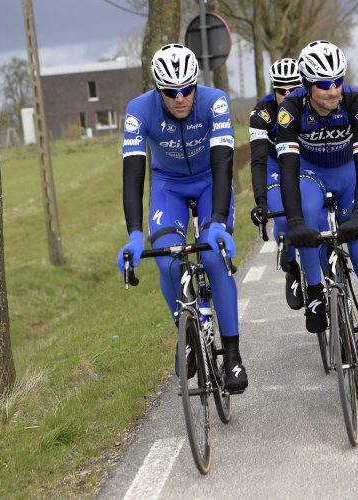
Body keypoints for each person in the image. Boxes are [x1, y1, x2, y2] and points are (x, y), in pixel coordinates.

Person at [116, 44, 247, 391]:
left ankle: (232, 356)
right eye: (171, 92)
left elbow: (223, 165)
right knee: (168, 263)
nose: (180, 98)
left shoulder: (214, 101)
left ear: (195, 84)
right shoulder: (137, 111)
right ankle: (187, 330)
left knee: (212, 257)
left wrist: (217, 221)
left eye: (187, 89)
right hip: (168, 186)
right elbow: (133, 176)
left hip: (209, 181)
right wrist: (133, 235)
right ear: (158, 90)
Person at [276, 40, 358, 390]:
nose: (333, 90)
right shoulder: (291, 111)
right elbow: (288, 170)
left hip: (349, 177)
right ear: (307, 85)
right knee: (308, 209)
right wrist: (295, 224)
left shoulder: (357, 104)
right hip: (309, 174)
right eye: (324, 84)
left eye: (338, 81)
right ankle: (314, 289)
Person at [249, 58, 325, 313]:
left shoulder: (313, 105)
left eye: (294, 89)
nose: (288, 95)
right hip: (275, 168)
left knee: (318, 219)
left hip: (306, 164)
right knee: (283, 220)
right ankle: (291, 269)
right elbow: (258, 161)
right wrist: (260, 201)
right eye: (282, 90)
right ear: (274, 90)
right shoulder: (262, 113)